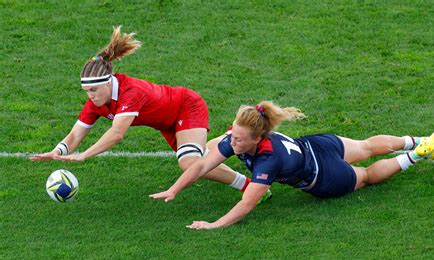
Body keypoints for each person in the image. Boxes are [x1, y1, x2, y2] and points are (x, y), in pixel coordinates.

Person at [30, 26, 265, 197]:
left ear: (108, 82)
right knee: (198, 160)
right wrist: (57, 151)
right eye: (85, 90)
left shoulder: (130, 92)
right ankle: (237, 163)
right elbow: (74, 136)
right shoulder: (95, 102)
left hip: (186, 107)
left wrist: (84, 155)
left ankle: (249, 186)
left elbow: (117, 133)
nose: (89, 95)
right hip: (166, 122)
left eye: (93, 89)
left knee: (189, 164)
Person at [150, 101, 434, 230]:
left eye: (240, 140)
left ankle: (418, 153)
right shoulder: (240, 137)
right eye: (233, 135)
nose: (232, 143)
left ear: (258, 138)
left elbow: (247, 203)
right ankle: (419, 139)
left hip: (325, 176)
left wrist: (213, 224)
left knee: (367, 176)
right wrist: (174, 189)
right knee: (367, 145)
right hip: (317, 145)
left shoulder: (268, 159)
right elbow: (202, 166)